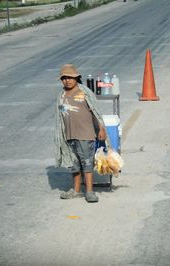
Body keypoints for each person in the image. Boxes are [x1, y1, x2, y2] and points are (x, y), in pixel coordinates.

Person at [55, 64, 107, 203]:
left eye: (70, 78)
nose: (67, 80)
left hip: (85, 134)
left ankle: (90, 192)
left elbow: (95, 111)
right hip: (69, 135)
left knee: (87, 163)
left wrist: (101, 128)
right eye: (64, 78)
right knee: (74, 164)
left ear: (77, 78)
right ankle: (76, 190)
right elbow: (59, 116)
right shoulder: (61, 95)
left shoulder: (84, 92)